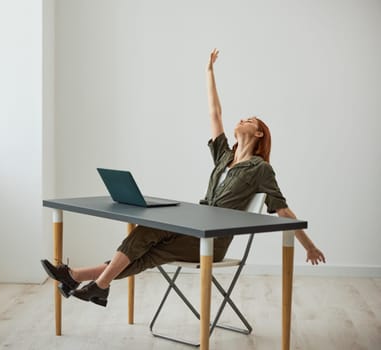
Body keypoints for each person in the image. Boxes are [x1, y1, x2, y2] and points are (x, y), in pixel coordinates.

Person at [41, 48, 326, 307]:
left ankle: (93, 283)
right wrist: (209, 73)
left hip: (212, 241)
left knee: (146, 234)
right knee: (148, 245)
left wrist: (309, 245)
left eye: (250, 120)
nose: (242, 119)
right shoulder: (224, 157)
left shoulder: (261, 169)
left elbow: (282, 210)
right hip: (194, 224)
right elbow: (215, 112)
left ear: (259, 134)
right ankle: (79, 277)